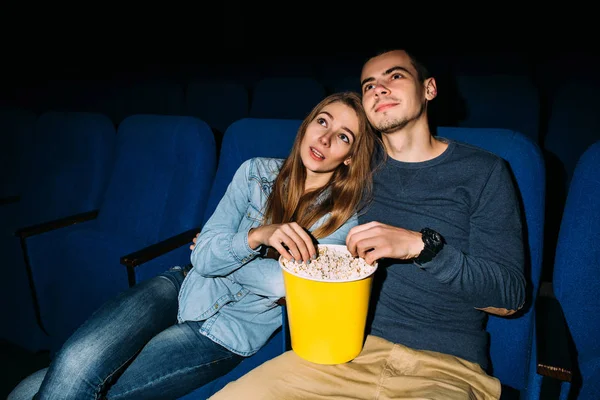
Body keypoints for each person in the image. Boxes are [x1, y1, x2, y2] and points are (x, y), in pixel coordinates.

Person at [7, 91, 379, 400]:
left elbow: (281, 285)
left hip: (228, 332)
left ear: (348, 157)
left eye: (344, 137)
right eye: (323, 121)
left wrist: (220, 251)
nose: (327, 138)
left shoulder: (343, 218)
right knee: (71, 363)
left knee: (33, 392)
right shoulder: (255, 172)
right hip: (180, 285)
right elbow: (201, 261)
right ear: (307, 126)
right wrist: (256, 237)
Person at [209, 49, 527, 400]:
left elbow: (509, 299)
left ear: (429, 89)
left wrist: (421, 247)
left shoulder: (484, 172)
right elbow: (290, 187)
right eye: (369, 85)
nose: (379, 89)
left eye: (395, 76)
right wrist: (232, 238)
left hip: (446, 368)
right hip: (340, 353)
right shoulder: (355, 171)